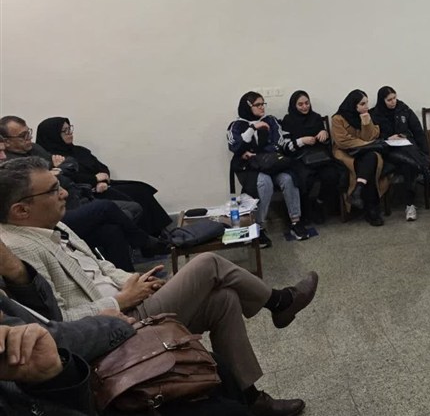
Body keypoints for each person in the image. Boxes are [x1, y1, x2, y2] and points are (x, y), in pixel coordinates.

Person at [0, 157, 316, 416]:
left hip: (129, 302)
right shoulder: (17, 251)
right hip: (113, 328)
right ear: (20, 210)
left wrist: (134, 281)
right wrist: (121, 300)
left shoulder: (53, 224)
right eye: (54, 190)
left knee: (224, 299)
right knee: (208, 263)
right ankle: (279, 301)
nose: (65, 194)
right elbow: (57, 323)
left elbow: (102, 266)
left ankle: (250, 398)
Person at [35, 117, 172, 237]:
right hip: (88, 193)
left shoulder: (79, 150)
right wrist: (95, 181)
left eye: (69, 129)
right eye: (64, 131)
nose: (70, 133)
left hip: (104, 185)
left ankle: (161, 234)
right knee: (134, 196)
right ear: (53, 136)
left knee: (141, 189)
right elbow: (71, 178)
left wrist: (103, 179)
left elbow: (101, 167)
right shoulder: (52, 160)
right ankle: (150, 240)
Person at [0, 116, 142, 221]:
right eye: (23, 136)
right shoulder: (8, 163)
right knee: (115, 214)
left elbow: (71, 163)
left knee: (135, 200)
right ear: (6, 141)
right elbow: (38, 183)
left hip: (79, 195)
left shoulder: (35, 148)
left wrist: (58, 170)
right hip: (60, 207)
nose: (29, 138)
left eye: (29, 133)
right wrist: (53, 171)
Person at [227, 92, 309, 241]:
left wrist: (255, 153)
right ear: (248, 107)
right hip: (250, 168)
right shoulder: (237, 126)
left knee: (288, 179)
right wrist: (253, 128)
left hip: (272, 164)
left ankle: (295, 221)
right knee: (265, 182)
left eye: (263, 104)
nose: (262, 107)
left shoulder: (270, 121)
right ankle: (258, 226)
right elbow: (236, 148)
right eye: (257, 105)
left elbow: (278, 144)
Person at [281, 91, 345, 224]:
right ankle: (305, 209)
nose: (305, 107)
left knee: (332, 175)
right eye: (300, 104)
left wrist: (324, 133)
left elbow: (325, 143)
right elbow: (286, 147)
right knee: (305, 178)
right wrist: (301, 141)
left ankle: (319, 203)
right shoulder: (288, 121)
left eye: (307, 103)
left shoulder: (316, 117)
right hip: (299, 157)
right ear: (294, 106)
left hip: (319, 157)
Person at [368, 86, 430, 222]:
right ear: (382, 100)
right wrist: (388, 138)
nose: (393, 102)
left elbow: (417, 130)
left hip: (407, 148)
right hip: (389, 151)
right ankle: (427, 169)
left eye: (394, 98)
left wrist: (426, 151)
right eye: (389, 100)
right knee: (410, 162)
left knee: (408, 166)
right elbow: (372, 137)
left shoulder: (403, 109)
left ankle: (410, 205)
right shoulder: (374, 114)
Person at [331, 90, 391, 227]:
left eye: (367, 103)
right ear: (353, 105)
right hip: (346, 153)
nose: (366, 107)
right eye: (362, 104)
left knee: (371, 160)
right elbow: (343, 141)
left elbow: (370, 137)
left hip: (365, 152)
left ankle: (358, 191)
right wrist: (366, 144)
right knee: (368, 164)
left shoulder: (366, 116)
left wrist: (366, 123)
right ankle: (372, 210)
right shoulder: (337, 119)